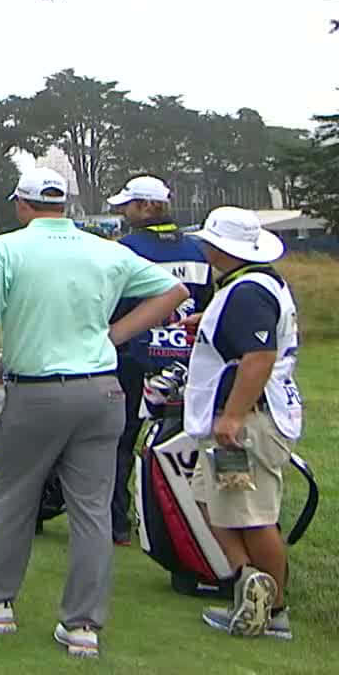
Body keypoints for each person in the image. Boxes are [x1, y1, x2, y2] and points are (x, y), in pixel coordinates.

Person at [0, 167, 191, 658]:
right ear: (65, 204)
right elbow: (174, 292)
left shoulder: (6, 248)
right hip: (102, 394)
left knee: (14, 499)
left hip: (34, 392)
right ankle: (82, 627)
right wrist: (115, 337)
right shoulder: (106, 249)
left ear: (22, 204)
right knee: (92, 510)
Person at [183, 207, 304, 640]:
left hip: (249, 421)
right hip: (248, 417)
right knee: (208, 498)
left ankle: (273, 610)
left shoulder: (247, 292)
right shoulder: (251, 285)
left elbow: (259, 357)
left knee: (252, 515)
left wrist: (233, 415)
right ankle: (248, 583)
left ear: (221, 248)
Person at [104, 175, 215, 545]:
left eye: (128, 205)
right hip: (187, 360)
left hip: (134, 357)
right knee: (182, 442)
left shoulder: (126, 248)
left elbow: (114, 306)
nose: (124, 212)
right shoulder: (197, 249)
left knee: (120, 441)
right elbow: (206, 303)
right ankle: (182, 524)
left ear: (145, 207)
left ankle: (117, 525)